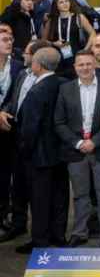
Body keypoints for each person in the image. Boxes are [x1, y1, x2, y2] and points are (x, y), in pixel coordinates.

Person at [6, 46, 66, 252]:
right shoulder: (62, 84)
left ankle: (40, 241)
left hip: (37, 156)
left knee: (39, 200)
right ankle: (58, 236)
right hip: (58, 153)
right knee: (58, 196)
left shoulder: (36, 92)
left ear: (38, 65)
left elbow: (30, 129)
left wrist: (23, 151)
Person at [54, 50, 100, 247]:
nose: (85, 68)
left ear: (95, 65)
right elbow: (59, 122)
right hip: (76, 151)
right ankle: (80, 232)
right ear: (75, 67)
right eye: (81, 65)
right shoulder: (65, 89)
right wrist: (79, 143)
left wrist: (94, 142)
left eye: (89, 64)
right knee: (80, 194)